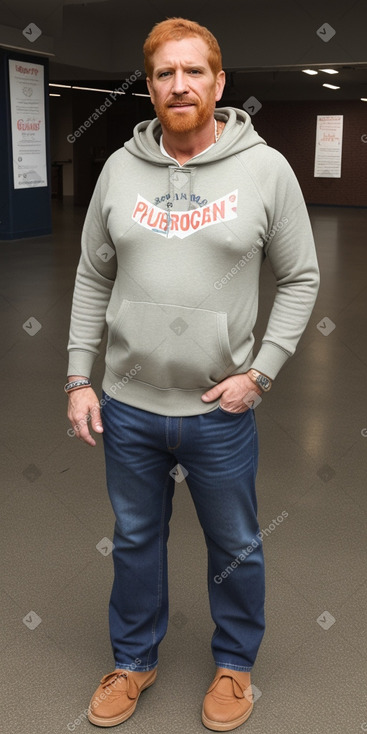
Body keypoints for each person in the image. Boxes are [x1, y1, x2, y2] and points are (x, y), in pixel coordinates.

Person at [66, 16, 320, 731]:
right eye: (164, 74)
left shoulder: (263, 168)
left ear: (217, 80)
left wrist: (260, 374)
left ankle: (235, 667)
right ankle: (133, 660)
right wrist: (77, 378)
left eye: (193, 71)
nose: (179, 85)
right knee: (136, 538)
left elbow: (299, 276)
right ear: (148, 86)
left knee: (234, 542)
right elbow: (91, 276)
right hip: (128, 407)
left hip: (219, 412)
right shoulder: (120, 168)